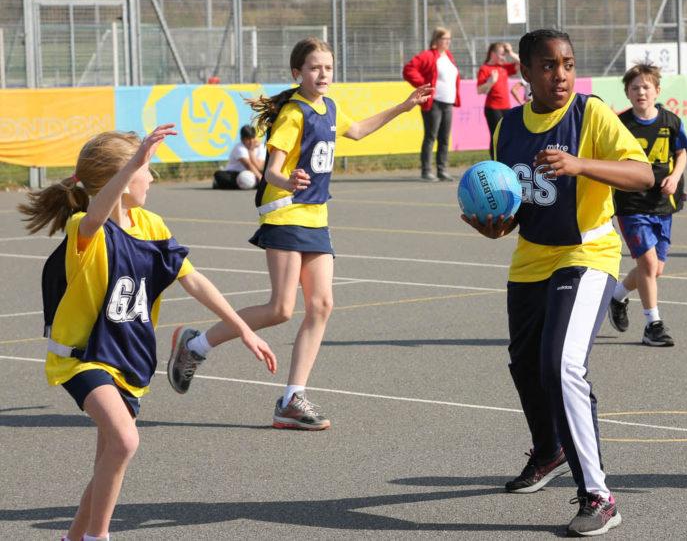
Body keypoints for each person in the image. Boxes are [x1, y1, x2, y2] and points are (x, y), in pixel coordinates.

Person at [19, 125, 276, 541]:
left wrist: (243, 328)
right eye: (146, 170)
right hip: (84, 355)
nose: (152, 178)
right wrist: (132, 163)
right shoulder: (86, 227)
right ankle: (97, 537)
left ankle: (73, 537)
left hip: (129, 357)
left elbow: (193, 280)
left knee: (110, 459)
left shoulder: (152, 225)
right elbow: (102, 212)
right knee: (124, 440)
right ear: (122, 176)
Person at [167, 37, 431, 430]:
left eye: (327, 67)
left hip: (316, 217)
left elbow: (357, 131)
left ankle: (292, 399)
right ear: (298, 73)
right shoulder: (294, 114)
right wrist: (287, 179)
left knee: (322, 305)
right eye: (314, 68)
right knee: (280, 309)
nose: (322, 74)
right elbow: (272, 170)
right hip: (286, 212)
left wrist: (404, 107)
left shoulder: (329, 107)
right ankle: (196, 346)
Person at [463, 29, 652, 537]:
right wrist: (495, 223)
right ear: (524, 71)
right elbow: (515, 202)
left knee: (562, 365)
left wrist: (581, 163)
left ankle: (599, 494)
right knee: (525, 364)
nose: (561, 74)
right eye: (548, 65)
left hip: (587, 252)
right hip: (532, 258)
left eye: (568, 63)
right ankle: (549, 451)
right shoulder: (506, 127)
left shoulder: (589, 114)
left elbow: (643, 175)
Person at [606, 63, 687, 347]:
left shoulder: (670, 121)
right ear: (627, 93)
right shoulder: (620, 124)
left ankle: (616, 296)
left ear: (657, 91)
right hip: (632, 203)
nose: (641, 92)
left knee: (654, 270)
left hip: (662, 203)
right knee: (649, 264)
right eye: (634, 88)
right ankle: (653, 324)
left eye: (646, 87)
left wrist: (675, 177)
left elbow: (681, 152)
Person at [403, 26, 460, 181]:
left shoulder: (448, 56)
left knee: (444, 138)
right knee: (431, 136)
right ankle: (426, 170)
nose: (448, 42)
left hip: (448, 102)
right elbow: (409, 69)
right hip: (433, 102)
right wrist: (423, 85)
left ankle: (442, 169)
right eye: (445, 39)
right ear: (437, 40)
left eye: (449, 39)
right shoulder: (428, 55)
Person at [477, 41, 522, 139]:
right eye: (502, 54)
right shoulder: (484, 68)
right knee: (497, 137)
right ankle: (495, 155)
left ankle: (506, 155)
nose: (504, 57)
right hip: (493, 108)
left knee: (508, 136)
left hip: (506, 107)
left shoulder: (503, 67)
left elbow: (522, 62)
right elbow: (479, 90)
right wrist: (491, 82)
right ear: (493, 54)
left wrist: (511, 52)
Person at [213, 125, 266, 190]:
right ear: (242, 139)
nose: (251, 141)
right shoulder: (239, 147)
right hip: (235, 173)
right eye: (248, 139)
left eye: (253, 138)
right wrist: (260, 178)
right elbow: (248, 165)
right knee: (219, 175)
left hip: (254, 173)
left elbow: (259, 167)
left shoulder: (261, 147)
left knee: (267, 173)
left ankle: (254, 184)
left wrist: (251, 152)